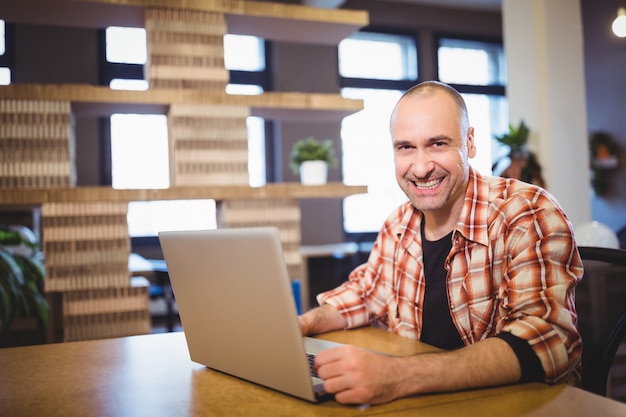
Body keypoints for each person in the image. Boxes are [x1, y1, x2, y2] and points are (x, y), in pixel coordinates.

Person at [298, 80, 583, 405]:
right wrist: (300, 324)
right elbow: (364, 294)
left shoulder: (525, 212)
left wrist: (398, 376)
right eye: (406, 147)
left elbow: (547, 341)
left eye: (437, 144)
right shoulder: (398, 224)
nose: (420, 168)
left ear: (470, 143)